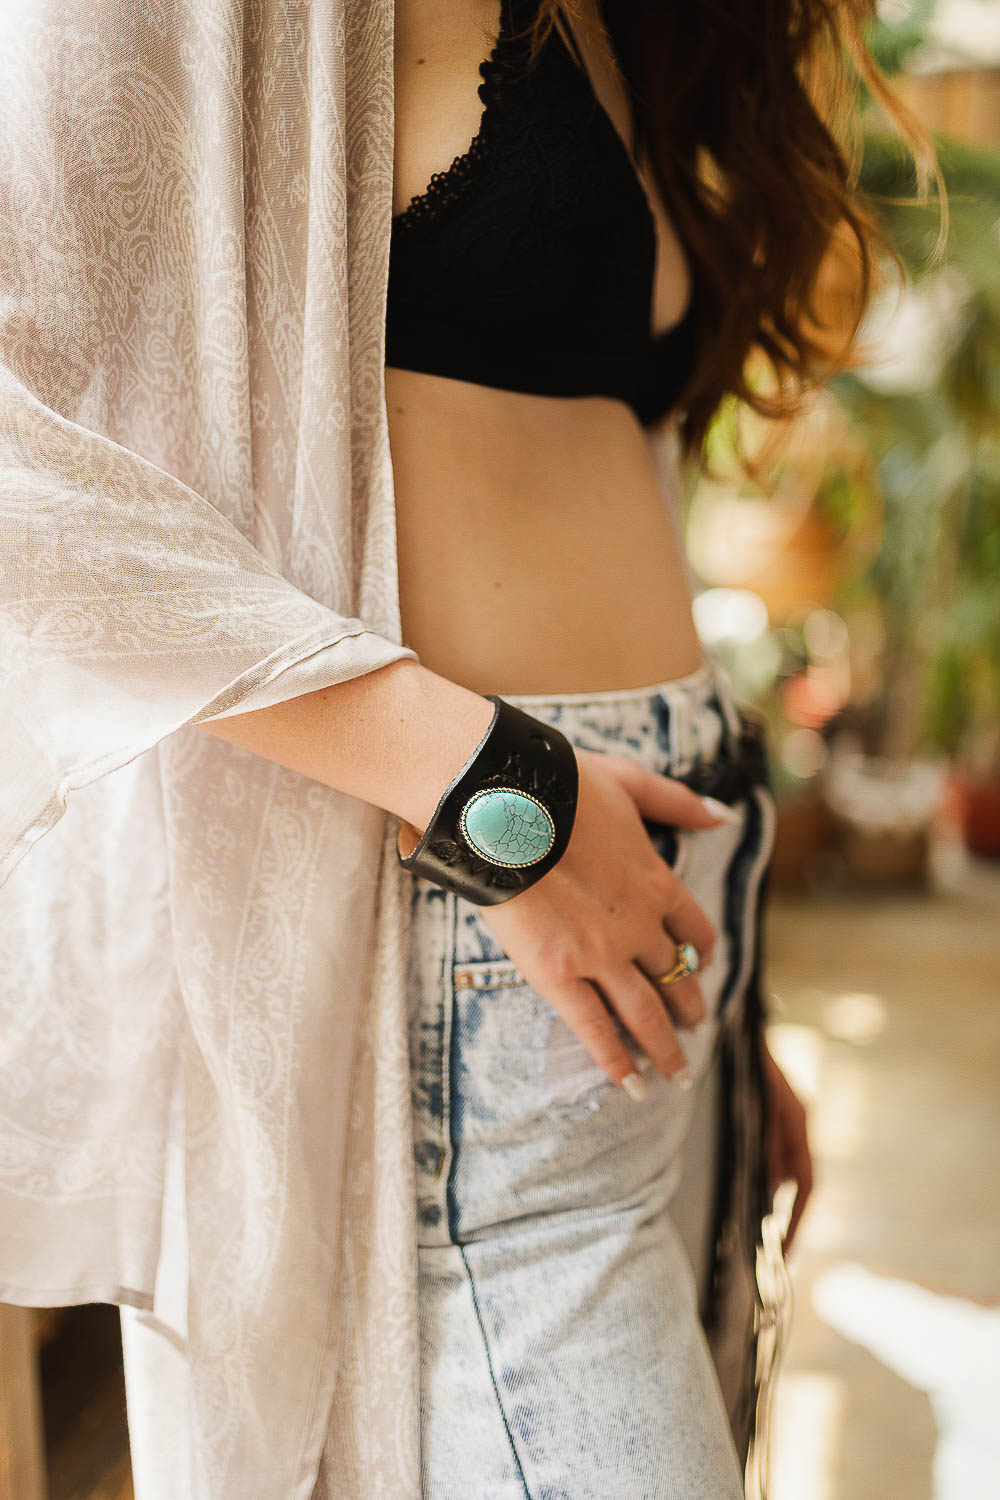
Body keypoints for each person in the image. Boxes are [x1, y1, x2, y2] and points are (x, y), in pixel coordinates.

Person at [0, 1, 934, 1496]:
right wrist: (501, 797)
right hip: (475, 913)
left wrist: (725, 1011)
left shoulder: (627, 24)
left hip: (638, 929)